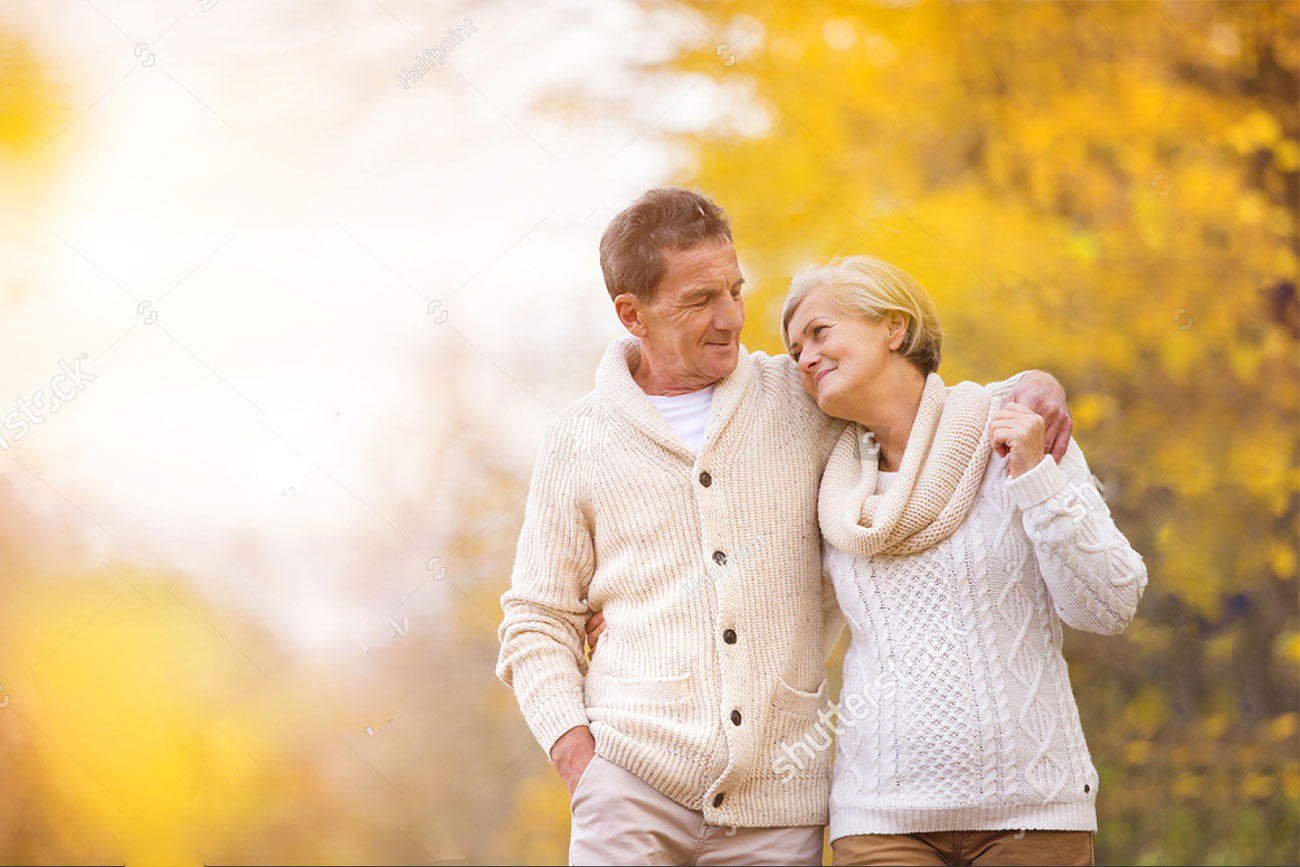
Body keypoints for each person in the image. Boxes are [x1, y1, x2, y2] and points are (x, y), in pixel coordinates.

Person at [496, 187, 1072, 866]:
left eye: (735, 290)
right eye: (700, 299)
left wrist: (1034, 384)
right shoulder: (578, 438)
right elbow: (536, 619)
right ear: (632, 313)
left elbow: (921, 408)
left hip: (777, 805)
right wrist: (579, 756)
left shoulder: (800, 397)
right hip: (629, 787)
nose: (732, 318)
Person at [782, 255, 1148, 867]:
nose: (805, 357)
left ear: (894, 328)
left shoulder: (1014, 431)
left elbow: (1110, 605)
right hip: (880, 823)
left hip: (1032, 817)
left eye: (820, 332)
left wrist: (1036, 480)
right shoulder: (829, 485)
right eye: (795, 351)